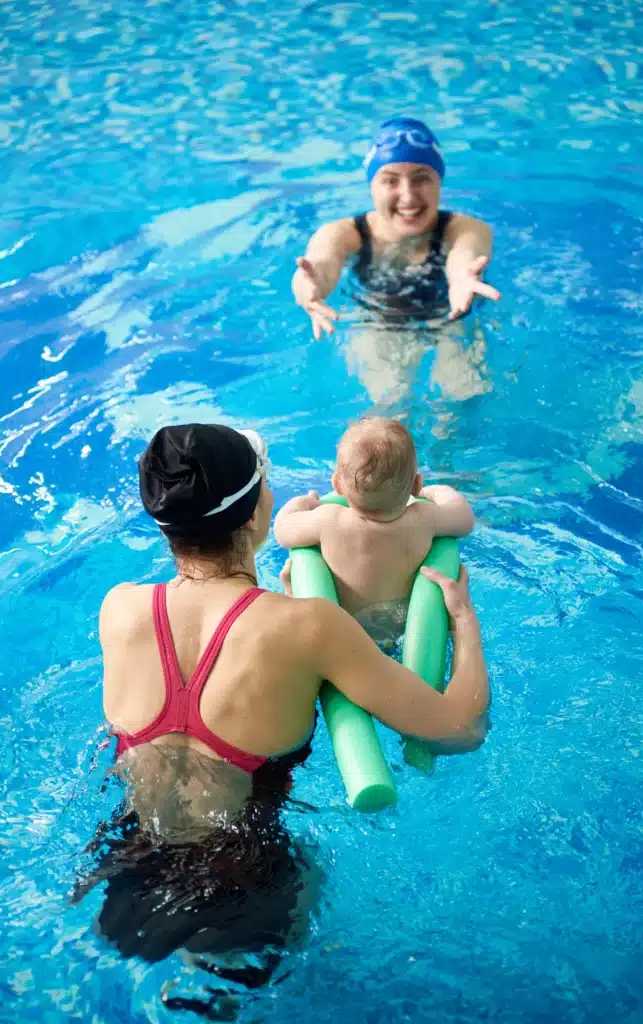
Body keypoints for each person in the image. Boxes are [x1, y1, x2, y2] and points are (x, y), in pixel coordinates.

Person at [77, 422, 489, 1000]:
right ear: (253, 514)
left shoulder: (118, 609)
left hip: (125, 869)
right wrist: (464, 621)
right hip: (245, 884)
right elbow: (461, 728)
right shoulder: (309, 627)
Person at [292, 116, 501, 404]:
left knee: (461, 398)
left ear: (439, 181)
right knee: (389, 402)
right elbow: (321, 264)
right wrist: (310, 286)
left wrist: (463, 277)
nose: (408, 196)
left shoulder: (466, 228)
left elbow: (466, 253)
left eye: (421, 178)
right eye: (390, 180)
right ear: (372, 186)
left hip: (453, 317)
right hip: (379, 320)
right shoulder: (344, 233)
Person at [273, 417, 474, 648]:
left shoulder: (329, 521)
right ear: (416, 485)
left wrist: (305, 501)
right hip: (406, 633)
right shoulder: (423, 519)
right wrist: (439, 491)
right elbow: (464, 518)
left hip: (349, 639)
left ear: (337, 486)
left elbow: (282, 528)